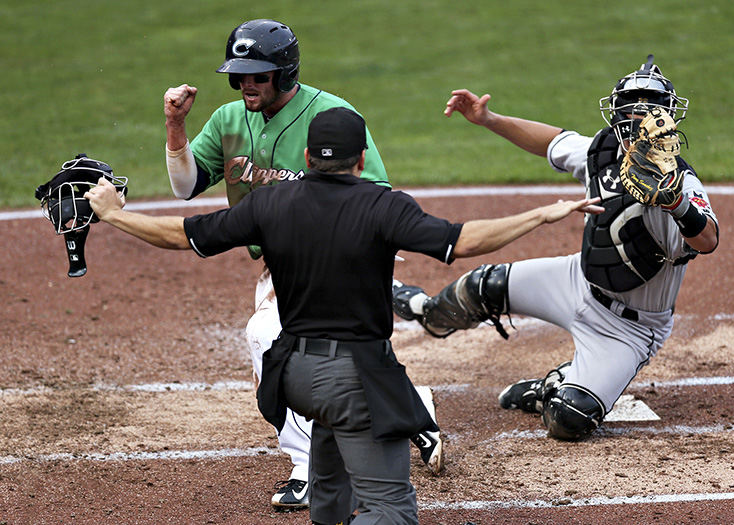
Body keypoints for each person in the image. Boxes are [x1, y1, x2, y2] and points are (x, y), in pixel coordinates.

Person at [84, 107, 602, 524]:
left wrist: (113, 214)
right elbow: (461, 241)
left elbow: (184, 234)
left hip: (297, 378)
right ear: (360, 162)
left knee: (330, 497)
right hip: (356, 378)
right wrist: (542, 213)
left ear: (309, 156)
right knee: (391, 511)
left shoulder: (271, 205)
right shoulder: (383, 206)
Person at [162, 19, 441, 507]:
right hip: (277, 262)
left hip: (337, 255)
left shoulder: (331, 115)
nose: (247, 84)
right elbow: (186, 187)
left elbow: (372, 192)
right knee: (329, 351)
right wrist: (175, 125)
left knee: (270, 336)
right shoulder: (230, 120)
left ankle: (307, 466)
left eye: (258, 75)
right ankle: (413, 407)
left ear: (285, 73)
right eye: (239, 76)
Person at [392, 55, 719, 441]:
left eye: (647, 112)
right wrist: (489, 119)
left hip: (630, 329)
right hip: (577, 281)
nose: (638, 120)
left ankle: (551, 388)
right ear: (617, 115)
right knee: (481, 288)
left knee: (569, 419)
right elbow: (552, 141)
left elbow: (708, 239)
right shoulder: (601, 154)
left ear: (667, 118)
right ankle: (424, 308)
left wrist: (675, 202)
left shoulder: (681, 183)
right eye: (631, 111)